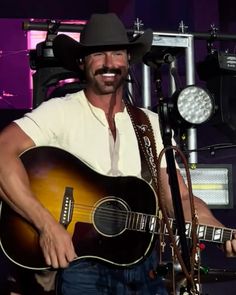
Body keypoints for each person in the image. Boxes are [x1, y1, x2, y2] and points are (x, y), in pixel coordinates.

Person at [0, 12, 235, 295]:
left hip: (142, 267)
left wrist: (218, 230)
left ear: (128, 60)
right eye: (98, 54)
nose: (109, 63)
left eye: (117, 52)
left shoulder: (148, 123)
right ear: (81, 62)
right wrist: (47, 224)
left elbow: (179, 198)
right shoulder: (60, 112)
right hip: (80, 265)